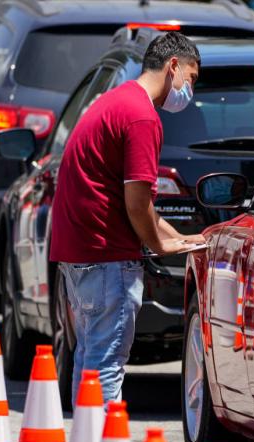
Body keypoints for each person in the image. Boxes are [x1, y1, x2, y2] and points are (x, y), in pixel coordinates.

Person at [49, 32, 206, 406]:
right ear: (173, 67)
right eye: (192, 78)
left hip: (81, 255)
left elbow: (140, 204)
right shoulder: (141, 117)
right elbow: (136, 203)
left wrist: (183, 240)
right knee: (105, 369)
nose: (190, 90)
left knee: (88, 364)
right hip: (107, 260)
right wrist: (160, 244)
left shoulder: (115, 101)